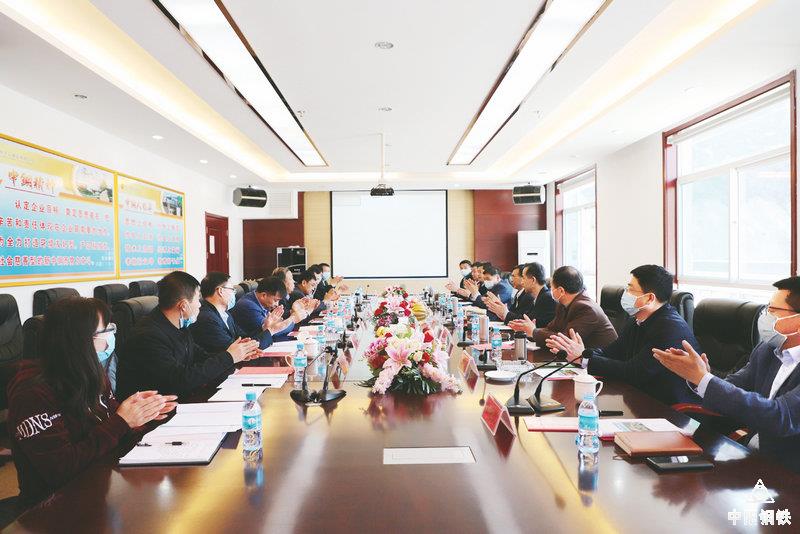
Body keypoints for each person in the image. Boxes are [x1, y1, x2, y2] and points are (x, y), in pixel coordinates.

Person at [7, 297, 177, 506]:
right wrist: (122, 421)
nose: (110, 337)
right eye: (104, 331)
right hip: (53, 505)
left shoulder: (90, 372)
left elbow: (110, 423)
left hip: (100, 482)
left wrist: (141, 415)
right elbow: (61, 469)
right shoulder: (32, 393)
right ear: (78, 341)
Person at [653, 276, 800, 471]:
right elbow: (736, 385)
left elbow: (780, 417)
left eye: (773, 310)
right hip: (753, 455)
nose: (766, 315)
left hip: (789, 470)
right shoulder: (767, 350)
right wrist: (701, 375)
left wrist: (704, 379)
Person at [547, 265, 701, 405]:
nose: (625, 294)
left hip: (667, 408)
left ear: (649, 298)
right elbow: (611, 352)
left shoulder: (669, 329)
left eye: (630, 290)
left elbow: (634, 372)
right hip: (638, 398)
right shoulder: (637, 320)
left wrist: (584, 358)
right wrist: (581, 353)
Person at [117, 271, 262, 399]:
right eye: (197, 299)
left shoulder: (179, 324)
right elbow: (180, 379)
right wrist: (229, 357)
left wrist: (235, 356)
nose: (200, 304)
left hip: (180, 399)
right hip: (154, 412)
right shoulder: (149, 336)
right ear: (183, 306)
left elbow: (199, 355)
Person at [509, 265, 617, 349]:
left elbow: (565, 341)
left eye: (551, 287)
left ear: (561, 290)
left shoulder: (586, 309)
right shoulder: (563, 304)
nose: (550, 290)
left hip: (600, 364)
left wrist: (534, 331)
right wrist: (531, 329)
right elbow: (551, 329)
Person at [192, 272, 282, 353]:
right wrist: (271, 330)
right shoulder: (207, 319)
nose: (234, 293)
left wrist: (264, 328)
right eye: (232, 290)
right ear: (220, 291)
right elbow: (234, 351)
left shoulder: (226, 314)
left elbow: (244, 338)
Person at [231, 275, 312, 342]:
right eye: (276, 300)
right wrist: (293, 319)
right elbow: (273, 331)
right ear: (264, 295)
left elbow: (275, 325)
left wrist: (292, 312)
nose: (277, 304)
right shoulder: (249, 306)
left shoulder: (259, 301)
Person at [487, 262, 556, 326]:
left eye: (524, 278)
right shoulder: (539, 296)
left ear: (533, 280)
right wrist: (503, 313)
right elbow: (525, 317)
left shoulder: (546, 298)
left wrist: (505, 313)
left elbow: (528, 321)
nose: (522, 282)